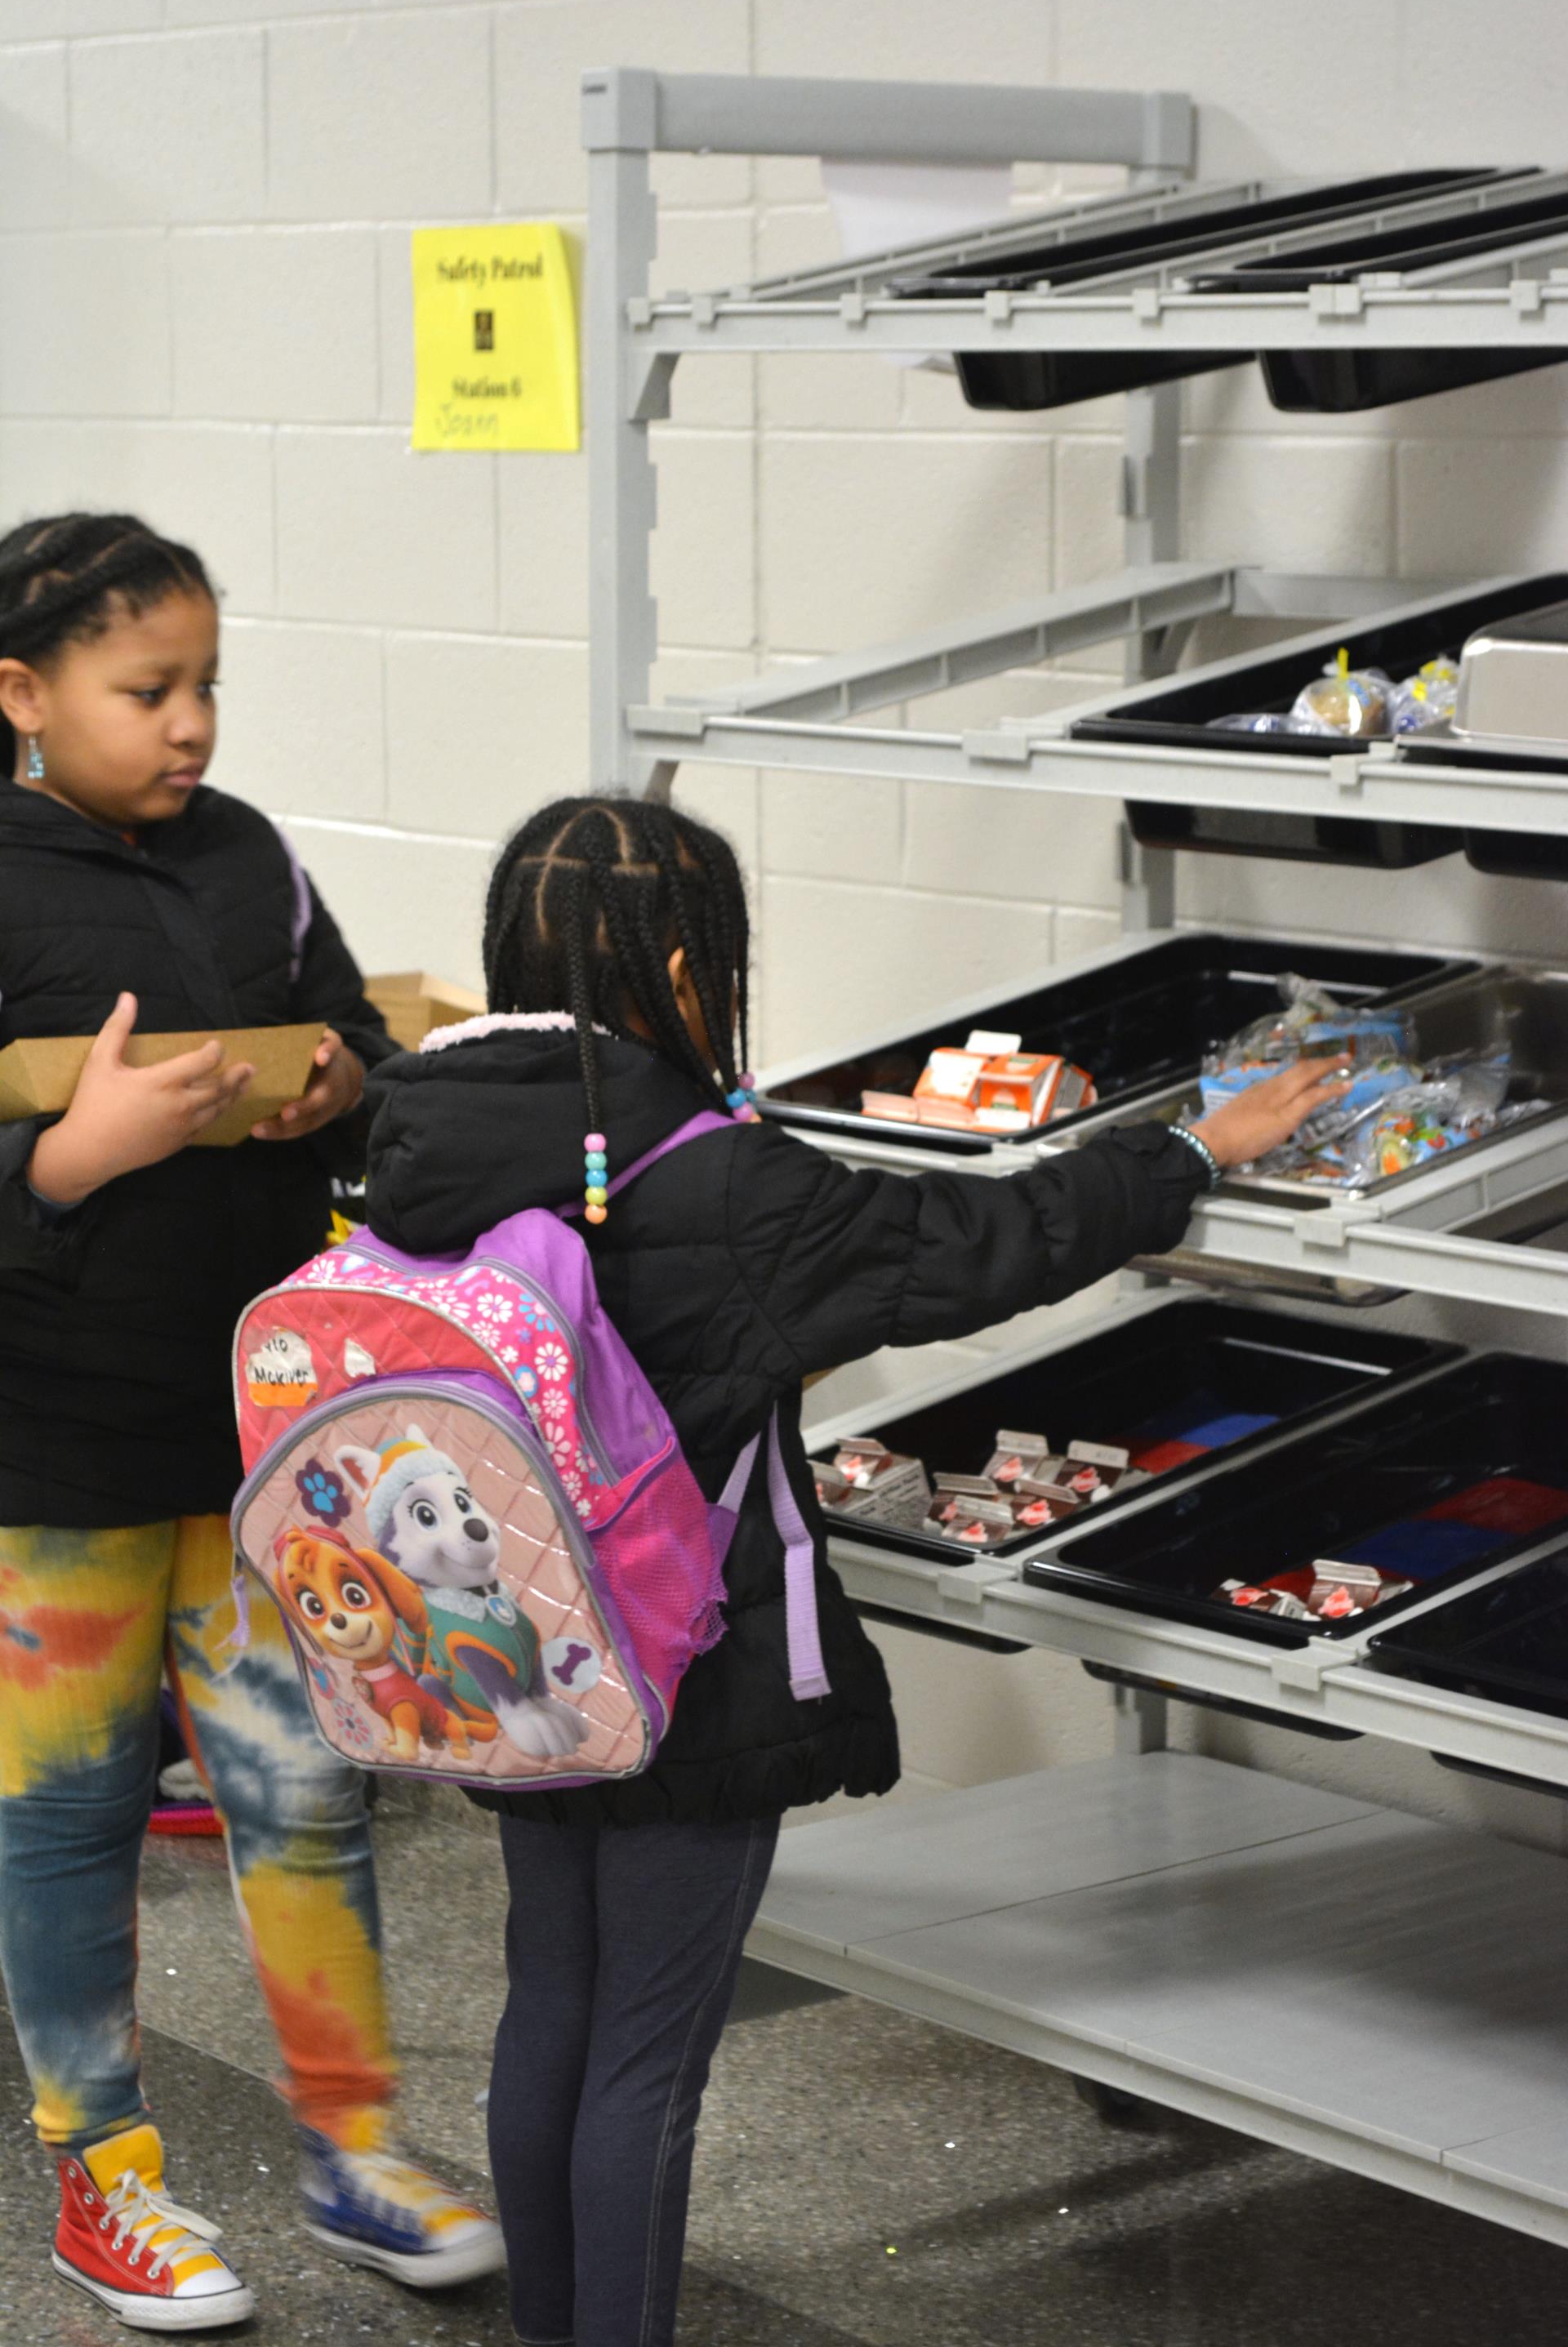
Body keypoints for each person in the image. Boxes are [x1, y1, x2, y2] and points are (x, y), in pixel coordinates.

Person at [361, 791, 1347, 2347]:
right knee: (646, 2054)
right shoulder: (724, 1184)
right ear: (691, 975)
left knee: (551, 2003)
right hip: (694, 1666)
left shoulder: (420, 1134)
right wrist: (1189, 1150)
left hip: (512, 1652)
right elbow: (978, 1242)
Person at [0, 513, 504, 2333]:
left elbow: (357, 1027)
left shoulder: (251, 859)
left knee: (305, 1797)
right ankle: (103, 2181)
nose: (191, 722)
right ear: (21, 694)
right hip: (43, 1466)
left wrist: (339, 1086)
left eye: (207, 683)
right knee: (63, 1822)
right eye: (147, 690)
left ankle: (357, 2155)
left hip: (257, 1445)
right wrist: (68, 1159)